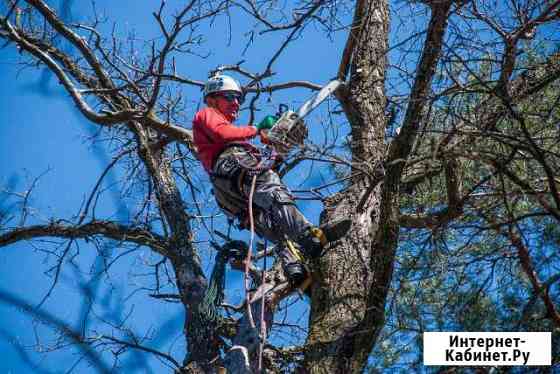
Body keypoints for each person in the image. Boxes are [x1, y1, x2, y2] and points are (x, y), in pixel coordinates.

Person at [192, 73, 349, 286]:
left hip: (228, 190)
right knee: (273, 189)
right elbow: (223, 135)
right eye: (229, 97)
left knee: (269, 221)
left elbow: (263, 164)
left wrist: (278, 152)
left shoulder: (235, 140)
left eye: (239, 99)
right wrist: (258, 129)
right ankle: (307, 235)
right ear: (212, 99)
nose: (236, 103)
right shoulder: (207, 114)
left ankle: (295, 269)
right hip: (232, 165)